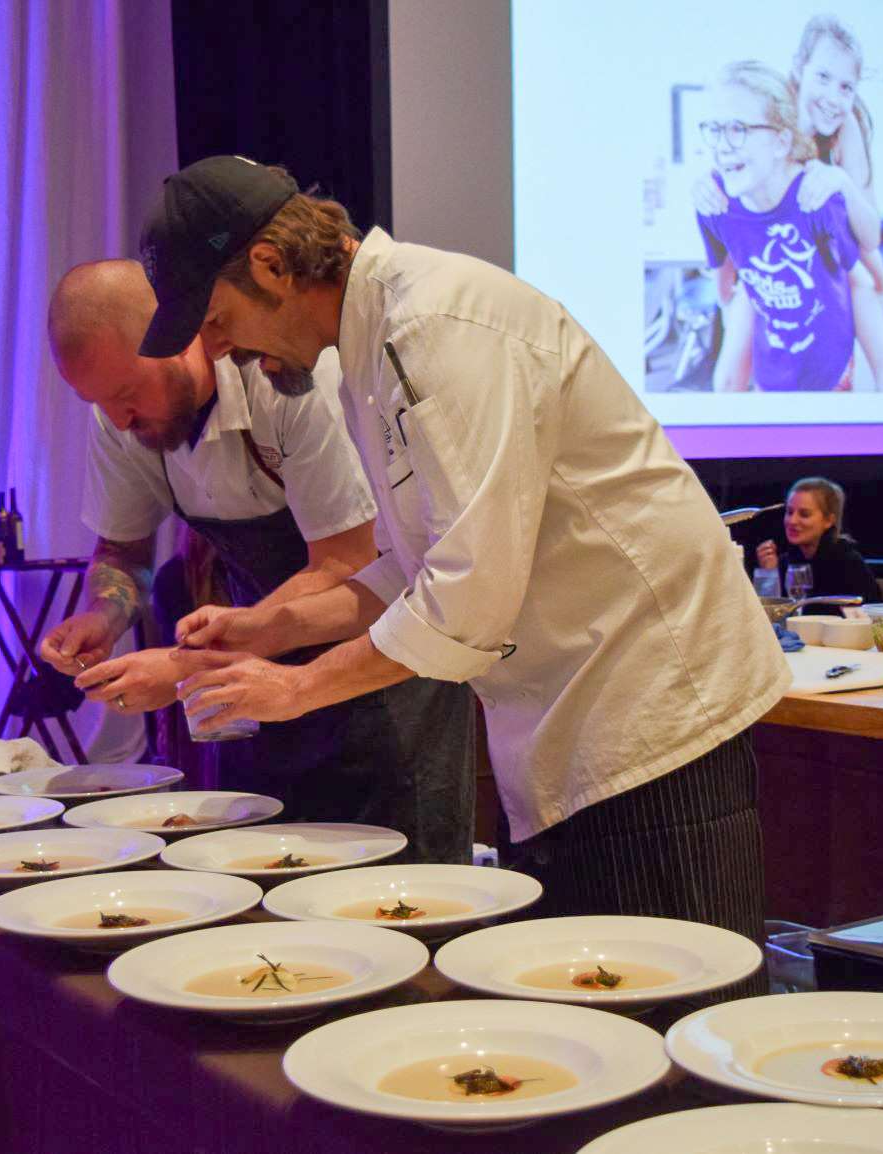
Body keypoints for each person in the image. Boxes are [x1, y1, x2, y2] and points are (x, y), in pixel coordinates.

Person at [137, 155, 788, 956]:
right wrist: (270, 628)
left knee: (678, 1021)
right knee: (594, 1014)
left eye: (216, 319)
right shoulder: (365, 357)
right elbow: (411, 567)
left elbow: (465, 595)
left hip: (650, 716)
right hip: (566, 724)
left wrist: (298, 687)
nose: (222, 348)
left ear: (270, 266)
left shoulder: (436, 326)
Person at [36, 258, 475, 863]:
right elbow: (124, 549)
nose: (119, 419)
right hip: (256, 674)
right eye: (99, 403)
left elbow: (347, 560)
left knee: (398, 891)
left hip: (380, 674)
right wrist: (104, 614)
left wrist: (186, 664)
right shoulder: (121, 419)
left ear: (177, 337)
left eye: (126, 394)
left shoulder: (289, 382)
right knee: (267, 875)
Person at [695, 22, 883, 393]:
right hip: (761, 247)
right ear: (798, 70)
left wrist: (840, 181)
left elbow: (869, 237)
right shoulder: (771, 111)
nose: (833, 97)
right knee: (741, 320)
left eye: (846, 87)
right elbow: (732, 146)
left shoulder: (845, 127)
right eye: (822, 77)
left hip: (826, 239)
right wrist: (704, 184)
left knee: (869, 285)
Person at [753, 477, 880, 606]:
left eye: (804, 514)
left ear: (828, 521)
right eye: (790, 512)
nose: (792, 521)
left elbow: (871, 614)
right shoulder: (785, 562)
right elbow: (769, 618)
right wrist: (770, 575)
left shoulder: (848, 562)